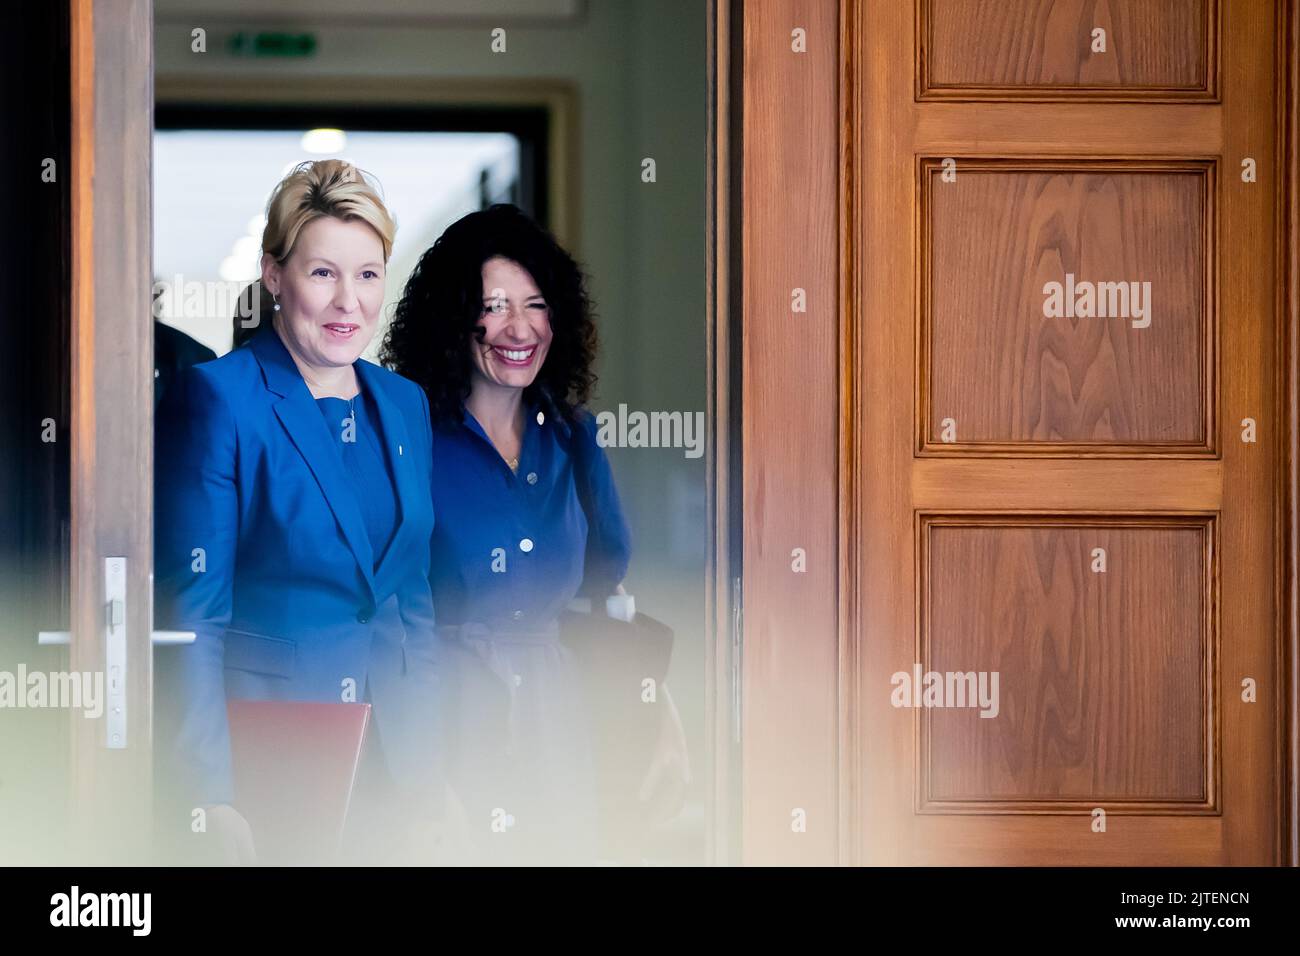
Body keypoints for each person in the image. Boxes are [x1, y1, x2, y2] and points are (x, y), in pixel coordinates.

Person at [381, 204, 690, 864]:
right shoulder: (407, 439)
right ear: (454, 317)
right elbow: (386, 622)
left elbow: (611, 597)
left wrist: (663, 716)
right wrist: (420, 779)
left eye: (536, 304)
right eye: (494, 305)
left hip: (560, 726)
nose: (519, 328)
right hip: (448, 720)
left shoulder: (573, 438)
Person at [154, 159, 442, 864]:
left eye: (368, 274)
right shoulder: (220, 398)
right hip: (274, 765)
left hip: (400, 765)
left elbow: (411, 609)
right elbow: (192, 615)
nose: (349, 301)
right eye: (323, 274)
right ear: (274, 275)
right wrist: (209, 795)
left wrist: (438, 773)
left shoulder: (404, 405)